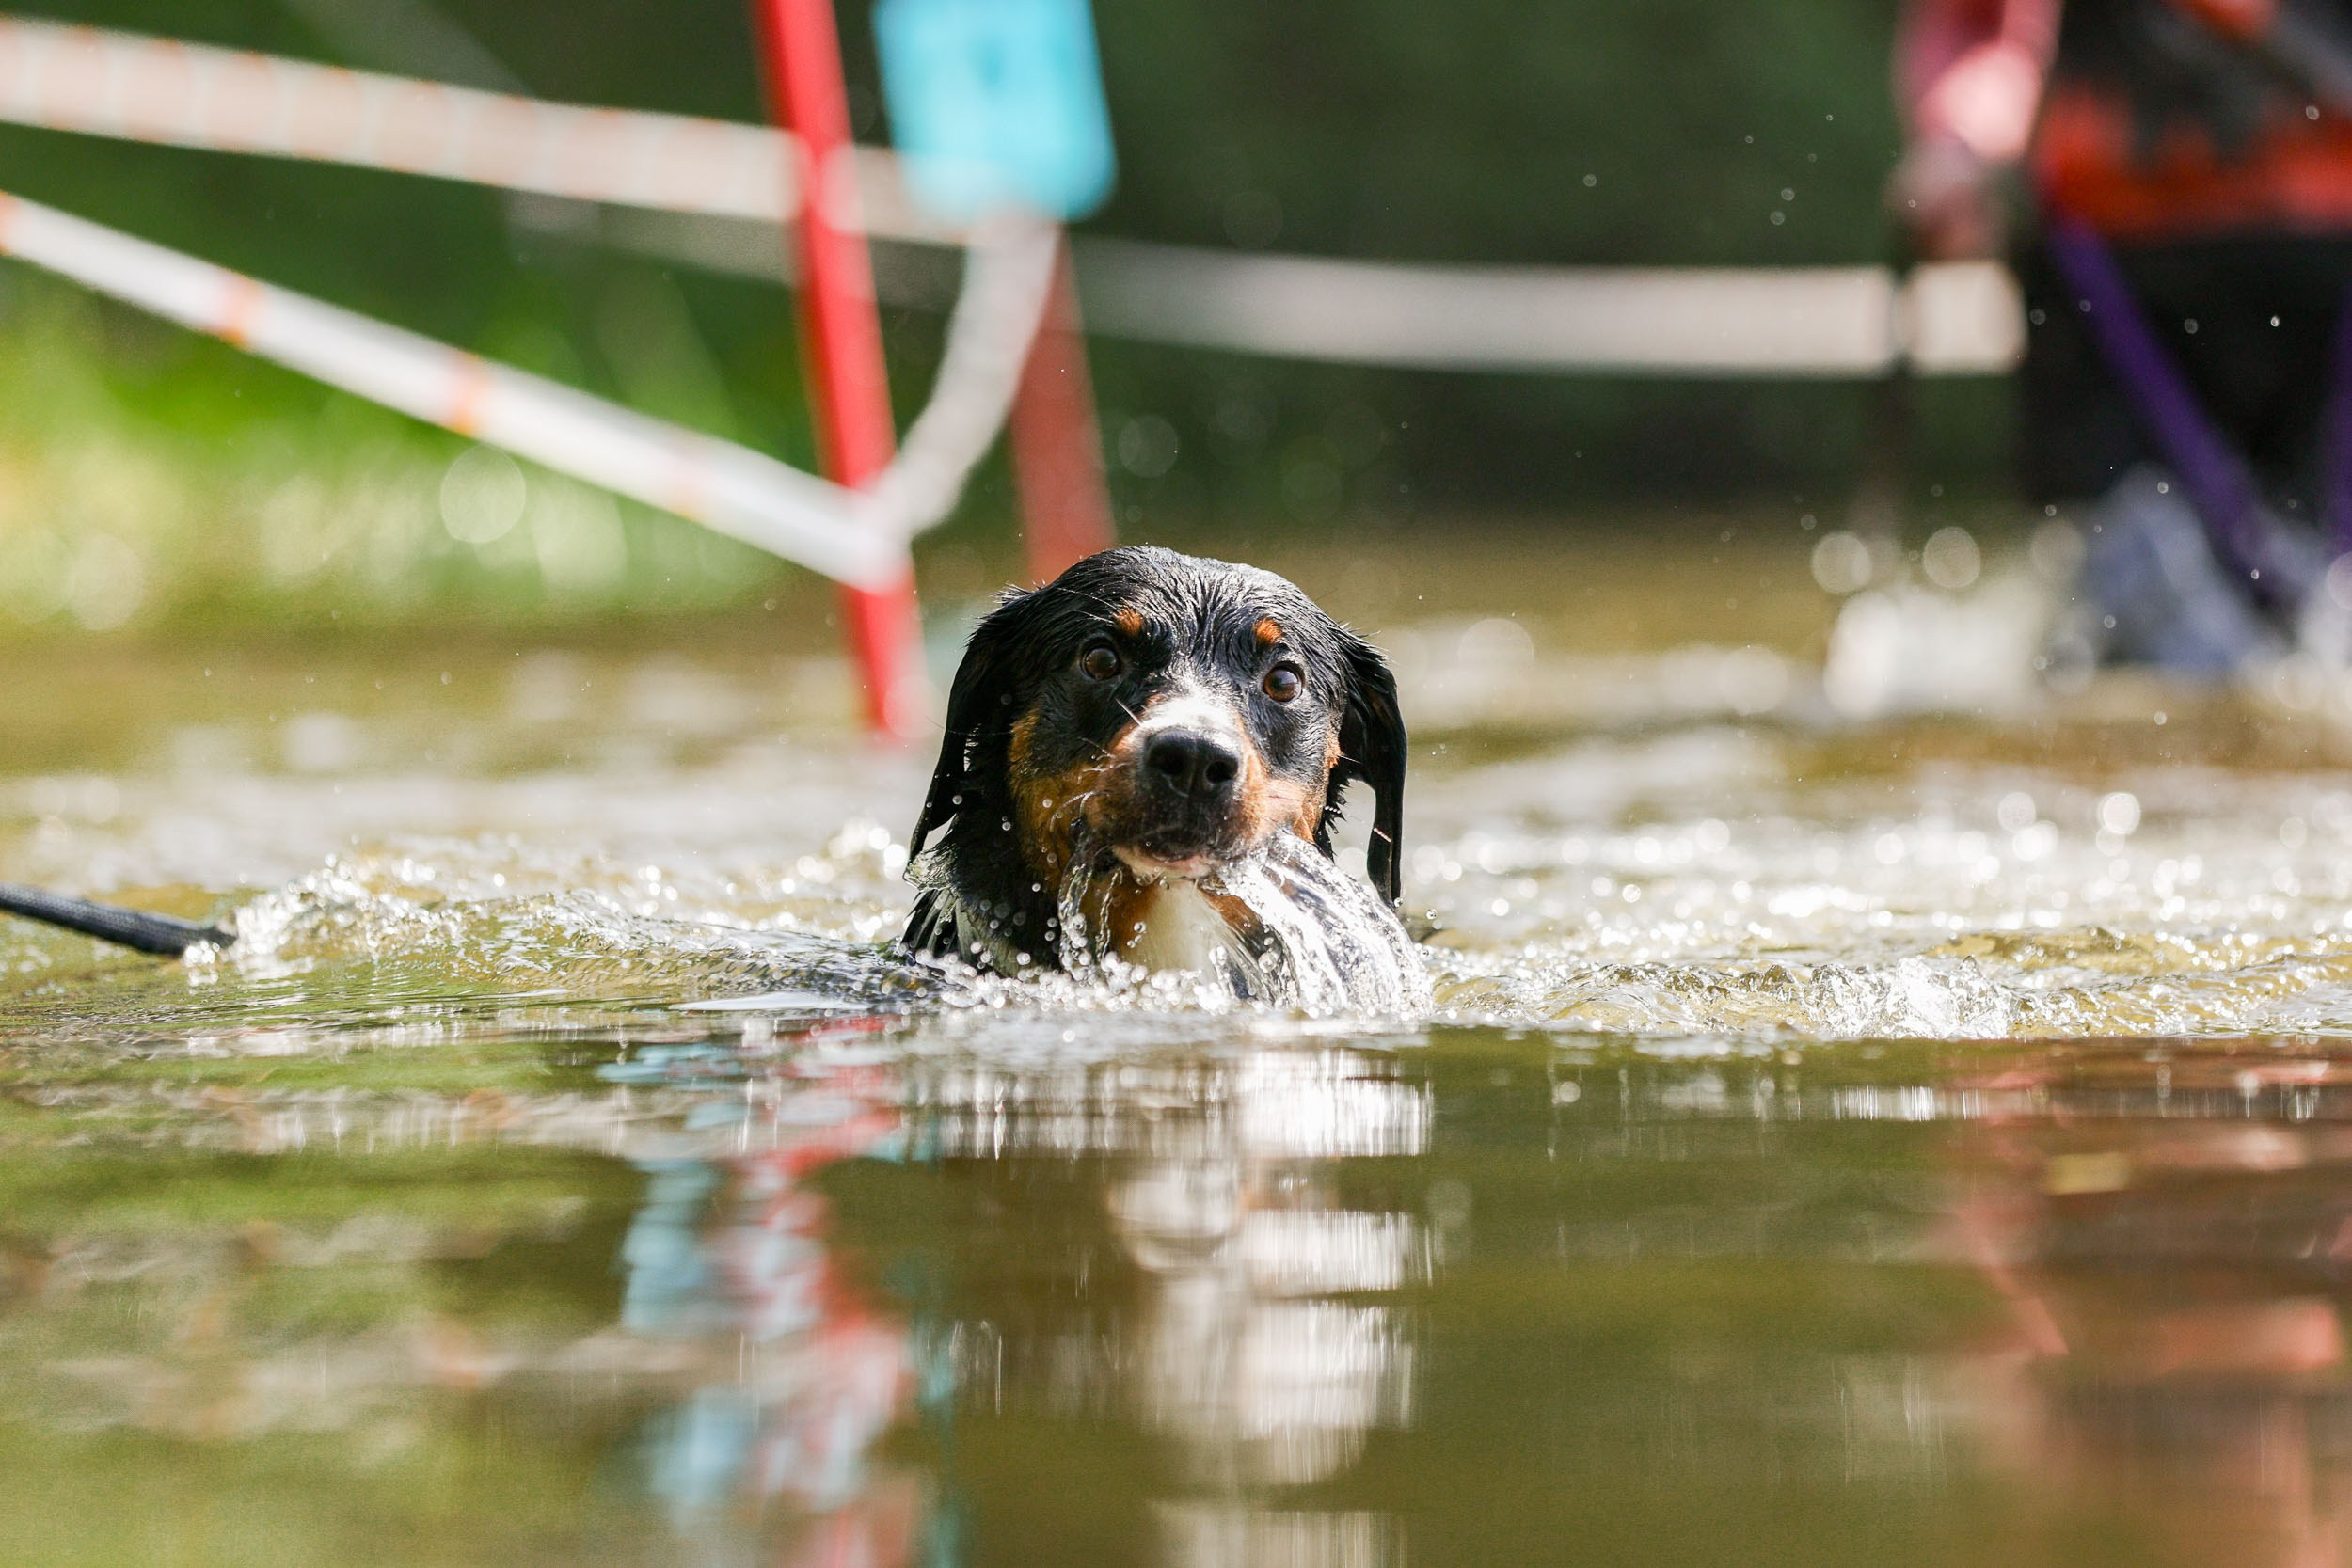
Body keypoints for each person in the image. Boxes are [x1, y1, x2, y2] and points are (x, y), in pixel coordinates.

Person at [1891, 0, 2352, 672]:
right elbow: (1982, 24)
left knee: (2310, 608)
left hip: (2318, 270)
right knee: (2124, 582)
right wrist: (1960, 143)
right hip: (2106, 271)